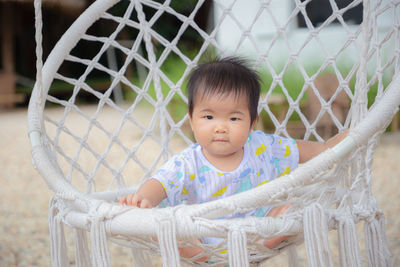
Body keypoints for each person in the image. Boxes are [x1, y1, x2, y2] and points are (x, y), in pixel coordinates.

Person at [120, 56, 347, 260]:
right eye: (208, 117)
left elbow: (298, 150)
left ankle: (256, 246)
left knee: (291, 211)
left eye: (234, 119)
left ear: (251, 122)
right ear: (191, 120)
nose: (220, 127)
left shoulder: (262, 146)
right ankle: (205, 258)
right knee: (167, 229)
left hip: (255, 233)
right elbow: (160, 183)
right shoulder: (188, 162)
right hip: (202, 242)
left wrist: (328, 147)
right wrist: (143, 198)